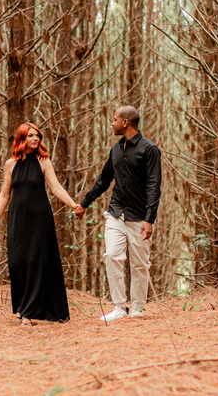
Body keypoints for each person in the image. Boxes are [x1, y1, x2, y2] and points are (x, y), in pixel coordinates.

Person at [73, 105, 161, 322]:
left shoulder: (150, 149)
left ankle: (137, 308)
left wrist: (149, 219)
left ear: (125, 122)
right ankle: (120, 307)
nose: (112, 124)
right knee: (112, 256)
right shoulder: (115, 150)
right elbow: (104, 180)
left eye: (114, 120)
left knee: (139, 264)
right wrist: (84, 203)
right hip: (115, 213)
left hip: (139, 217)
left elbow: (154, 186)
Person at [0, 122, 79, 326]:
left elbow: (56, 188)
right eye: (30, 135)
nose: (35, 139)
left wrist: (72, 204)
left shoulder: (43, 161)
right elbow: (4, 194)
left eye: (37, 135)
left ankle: (28, 314)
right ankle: (22, 305)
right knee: (16, 262)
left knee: (34, 263)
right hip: (17, 219)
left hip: (40, 220)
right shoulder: (10, 164)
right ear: (21, 138)